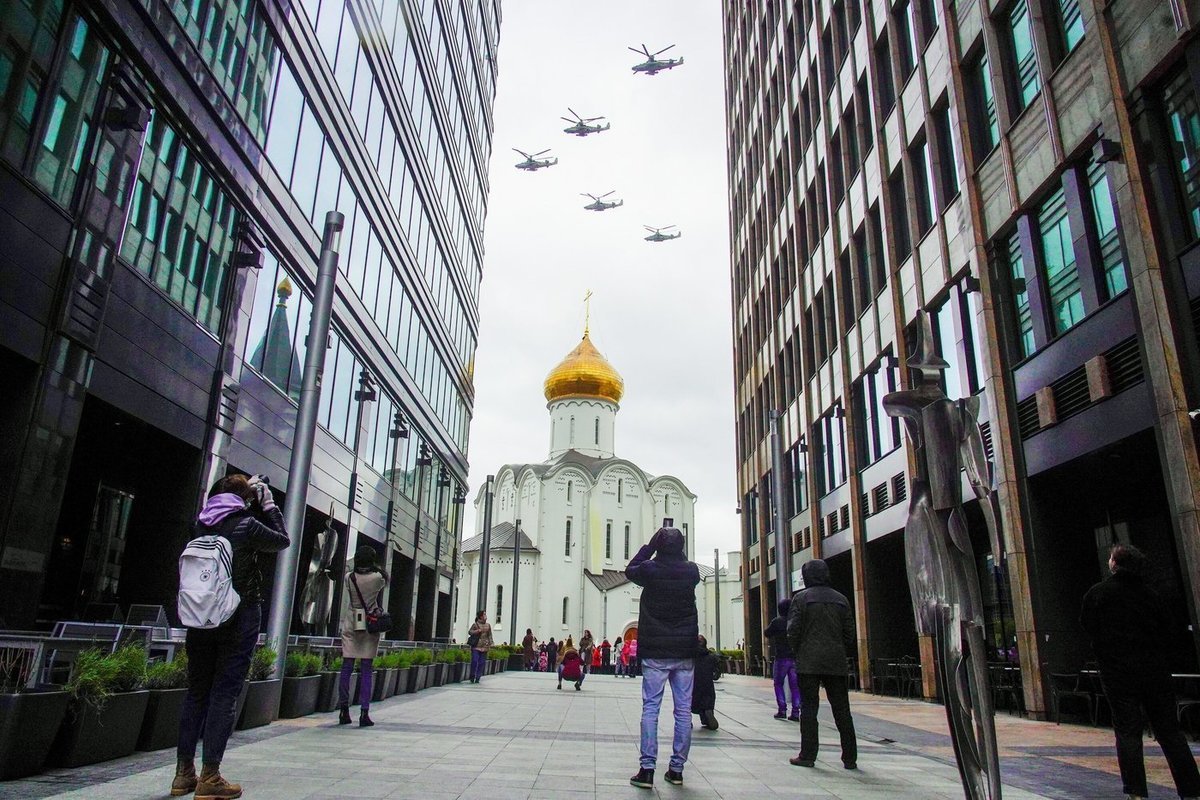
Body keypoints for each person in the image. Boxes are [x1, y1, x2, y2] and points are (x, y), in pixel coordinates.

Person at [174, 474, 289, 799]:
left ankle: (183, 774)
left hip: (199, 619)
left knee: (196, 692)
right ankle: (210, 776)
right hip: (238, 617)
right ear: (246, 499)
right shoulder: (246, 524)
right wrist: (268, 505)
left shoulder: (199, 525)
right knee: (224, 693)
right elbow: (282, 540)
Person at [1081, 544, 1200, 800]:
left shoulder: (1098, 594)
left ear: (1114, 564)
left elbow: (1088, 627)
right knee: (1170, 732)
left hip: (1118, 674)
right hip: (1154, 673)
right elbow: (1169, 631)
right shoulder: (1151, 595)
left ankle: (1136, 792)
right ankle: (1191, 790)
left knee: (1128, 732)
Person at [625, 526, 700, 789]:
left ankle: (647, 769)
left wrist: (650, 546)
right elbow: (685, 569)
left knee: (651, 709)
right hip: (683, 651)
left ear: (659, 544)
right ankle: (676, 769)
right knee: (682, 711)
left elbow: (630, 569)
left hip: (656, 651)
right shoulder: (691, 570)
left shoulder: (650, 570)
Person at [786, 559, 857, 770]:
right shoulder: (841, 599)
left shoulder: (801, 598)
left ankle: (808, 755)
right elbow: (849, 634)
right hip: (836, 661)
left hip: (808, 661)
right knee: (842, 709)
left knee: (809, 708)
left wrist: (798, 650)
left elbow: (793, 631)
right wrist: (838, 647)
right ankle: (850, 757)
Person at [337, 545, 388, 727]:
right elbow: (383, 578)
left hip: (352, 621)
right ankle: (364, 712)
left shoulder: (348, 578)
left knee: (347, 666)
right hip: (369, 623)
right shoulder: (377, 578)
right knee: (366, 669)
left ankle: (343, 710)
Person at [764, 597, 800, 721]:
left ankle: (782, 709)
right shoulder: (795, 621)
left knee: (778, 683)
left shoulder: (777, 622)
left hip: (781, 658)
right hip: (795, 658)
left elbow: (767, 633)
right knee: (795, 686)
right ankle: (796, 711)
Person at [692, 635, 720, 730]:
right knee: (707, 702)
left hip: (693, 684)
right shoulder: (711, 657)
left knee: (688, 702)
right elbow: (716, 673)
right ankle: (707, 714)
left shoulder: (691, 657)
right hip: (707, 685)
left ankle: (686, 720)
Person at [467, 610, 493, 683]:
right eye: (484, 614)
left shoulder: (488, 625)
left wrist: (491, 643)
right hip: (476, 646)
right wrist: (477, 631)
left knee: (481, 663)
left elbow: (490, 635)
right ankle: (472, 675)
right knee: (474, 661)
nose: (485, 616)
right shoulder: (475, 624)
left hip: (485, 647)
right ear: (481, 616)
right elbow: (470, 632)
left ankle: (478, 677)